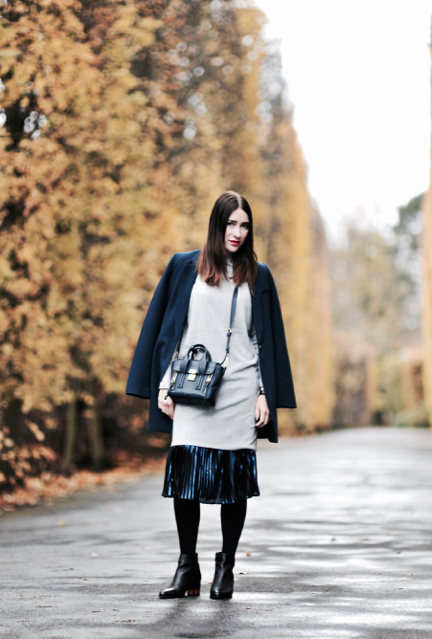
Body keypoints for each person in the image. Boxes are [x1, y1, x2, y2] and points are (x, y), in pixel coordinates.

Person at [126, 191, 296, 600]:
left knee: (233, 483)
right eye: (230, 224)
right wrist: (164, 384)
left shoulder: (260, 274)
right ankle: (187, 567)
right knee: (185, 479)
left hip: (238, 390)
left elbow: (261, 340)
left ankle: (227, 568)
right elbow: (173, 330)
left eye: (244, 225)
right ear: (216, 224)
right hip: (193, 388)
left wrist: (262, 394)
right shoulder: (185, 266)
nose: (237, 233)